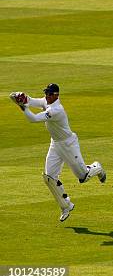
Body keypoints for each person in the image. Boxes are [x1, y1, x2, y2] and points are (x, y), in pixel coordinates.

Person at [9, 84, 106, 222]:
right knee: (49, 177)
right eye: (46, 93)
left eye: (49, 94)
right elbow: (32, 100)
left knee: (83, 177)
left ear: (56, 95)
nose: (46, 96)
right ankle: (66, 206)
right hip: (55, 144)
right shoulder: (46, 101)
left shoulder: (56, 110)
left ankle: (97, 167)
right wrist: (21, 97)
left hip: (68, 144)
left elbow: (34, 119)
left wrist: (22, 106)